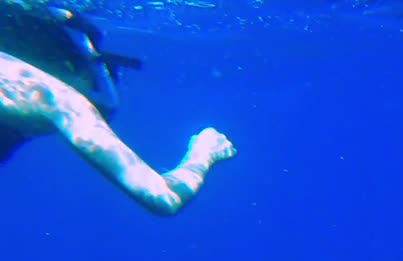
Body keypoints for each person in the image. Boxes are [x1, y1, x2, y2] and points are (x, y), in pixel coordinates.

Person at [0, 2, 236, 216]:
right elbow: (163, 197)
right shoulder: (56, 98)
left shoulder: (16, 80)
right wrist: (204, 154)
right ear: (72, 65)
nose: (94, 96)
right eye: (95, 79)